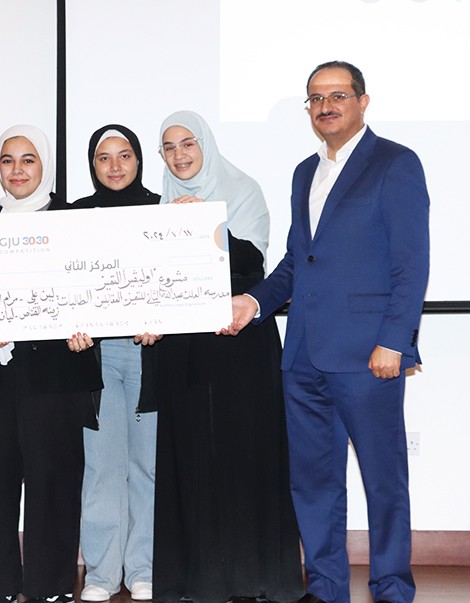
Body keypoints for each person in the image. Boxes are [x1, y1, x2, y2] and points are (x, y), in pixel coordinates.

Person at [227, 61, 430, 603]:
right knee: (313, 482)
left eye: (338, 95)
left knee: (384, 481)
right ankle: (325, 586)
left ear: (363, 101)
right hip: (304, 356)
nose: (326, 106)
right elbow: (298, 262)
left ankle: (391, 587)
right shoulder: (304, 172)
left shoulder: (395, 164)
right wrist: (253, 301)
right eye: (316, 98)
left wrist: (395, 341)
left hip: (369, 355)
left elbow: (411, 264)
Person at [151, 110, 304, 603]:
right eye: (169, 147)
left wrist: (204, 223)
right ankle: (197, 579)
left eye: (188, 143)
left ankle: (254, 576)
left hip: (240, 343)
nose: (179, 155)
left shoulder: (243, 190)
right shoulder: (159, 204)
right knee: (191, 458)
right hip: (184, 348)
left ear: (207, 145)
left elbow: (254, 263)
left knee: (245, 457)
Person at [0, 125, 103, 603]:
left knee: (54, 484)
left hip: (57, 375)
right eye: (7, 160)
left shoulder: (74, 221)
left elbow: (97, 289)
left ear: (45, 165)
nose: (17, 170)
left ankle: (51, 587)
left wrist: (90, 328)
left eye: (28, 160)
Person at [70, 125, 160, 603]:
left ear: (139, 160)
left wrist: (162, 318)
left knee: (147, 466)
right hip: (97, 357)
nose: (115, 166)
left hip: (149, 354)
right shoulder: (74, 216)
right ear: (92, 164)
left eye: (124, 155)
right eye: (103, 157)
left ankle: (144, 568)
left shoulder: (164, 211)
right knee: (102, 467)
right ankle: (103, 574)